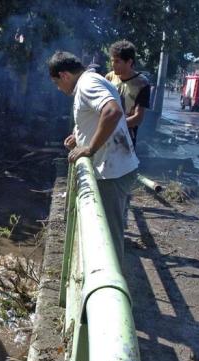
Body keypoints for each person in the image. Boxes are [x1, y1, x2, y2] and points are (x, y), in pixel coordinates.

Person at [49, 51, 139, 264]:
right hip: (116, 167)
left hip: (111, 173)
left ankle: (111, 289)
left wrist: (89, 147)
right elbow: (99, 116)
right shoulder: (90, 81)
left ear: (64, 75)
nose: (58, 88)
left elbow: (112, 112)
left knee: (108, 236)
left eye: (56, 82)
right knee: (104, 230)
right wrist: (80, 136)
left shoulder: (87, 84)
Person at [105, 40, 151, 147]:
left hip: (126, 138)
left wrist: (113, 125)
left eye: (117, 61)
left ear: (129, 62)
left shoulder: (142, 84)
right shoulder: (109, 78)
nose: (113, 65)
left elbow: (138, 118)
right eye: (112, 61)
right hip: (105, 134)